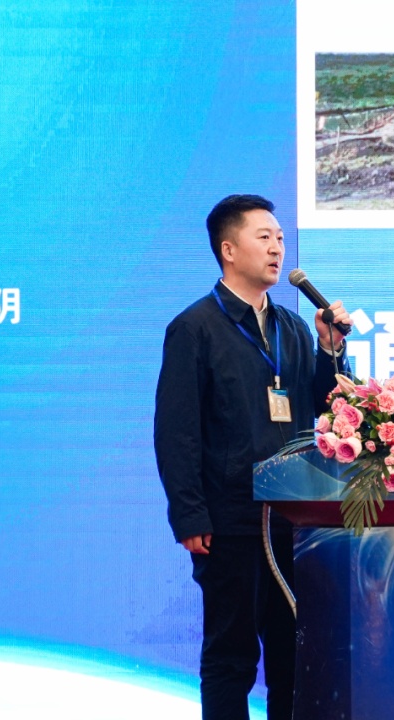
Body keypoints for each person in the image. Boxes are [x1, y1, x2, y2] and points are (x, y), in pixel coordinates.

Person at [154, 194, 350, 720]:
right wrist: (190, 515)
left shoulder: (293, 326)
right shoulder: (194, 328)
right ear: (228, 249)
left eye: (280, 238)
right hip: (231, 521)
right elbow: (176, 433)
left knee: (295, 655)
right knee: (232, 657)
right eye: (263, 237)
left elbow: (329, 408)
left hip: (295, 519)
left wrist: (331, 350)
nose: (277, 248)